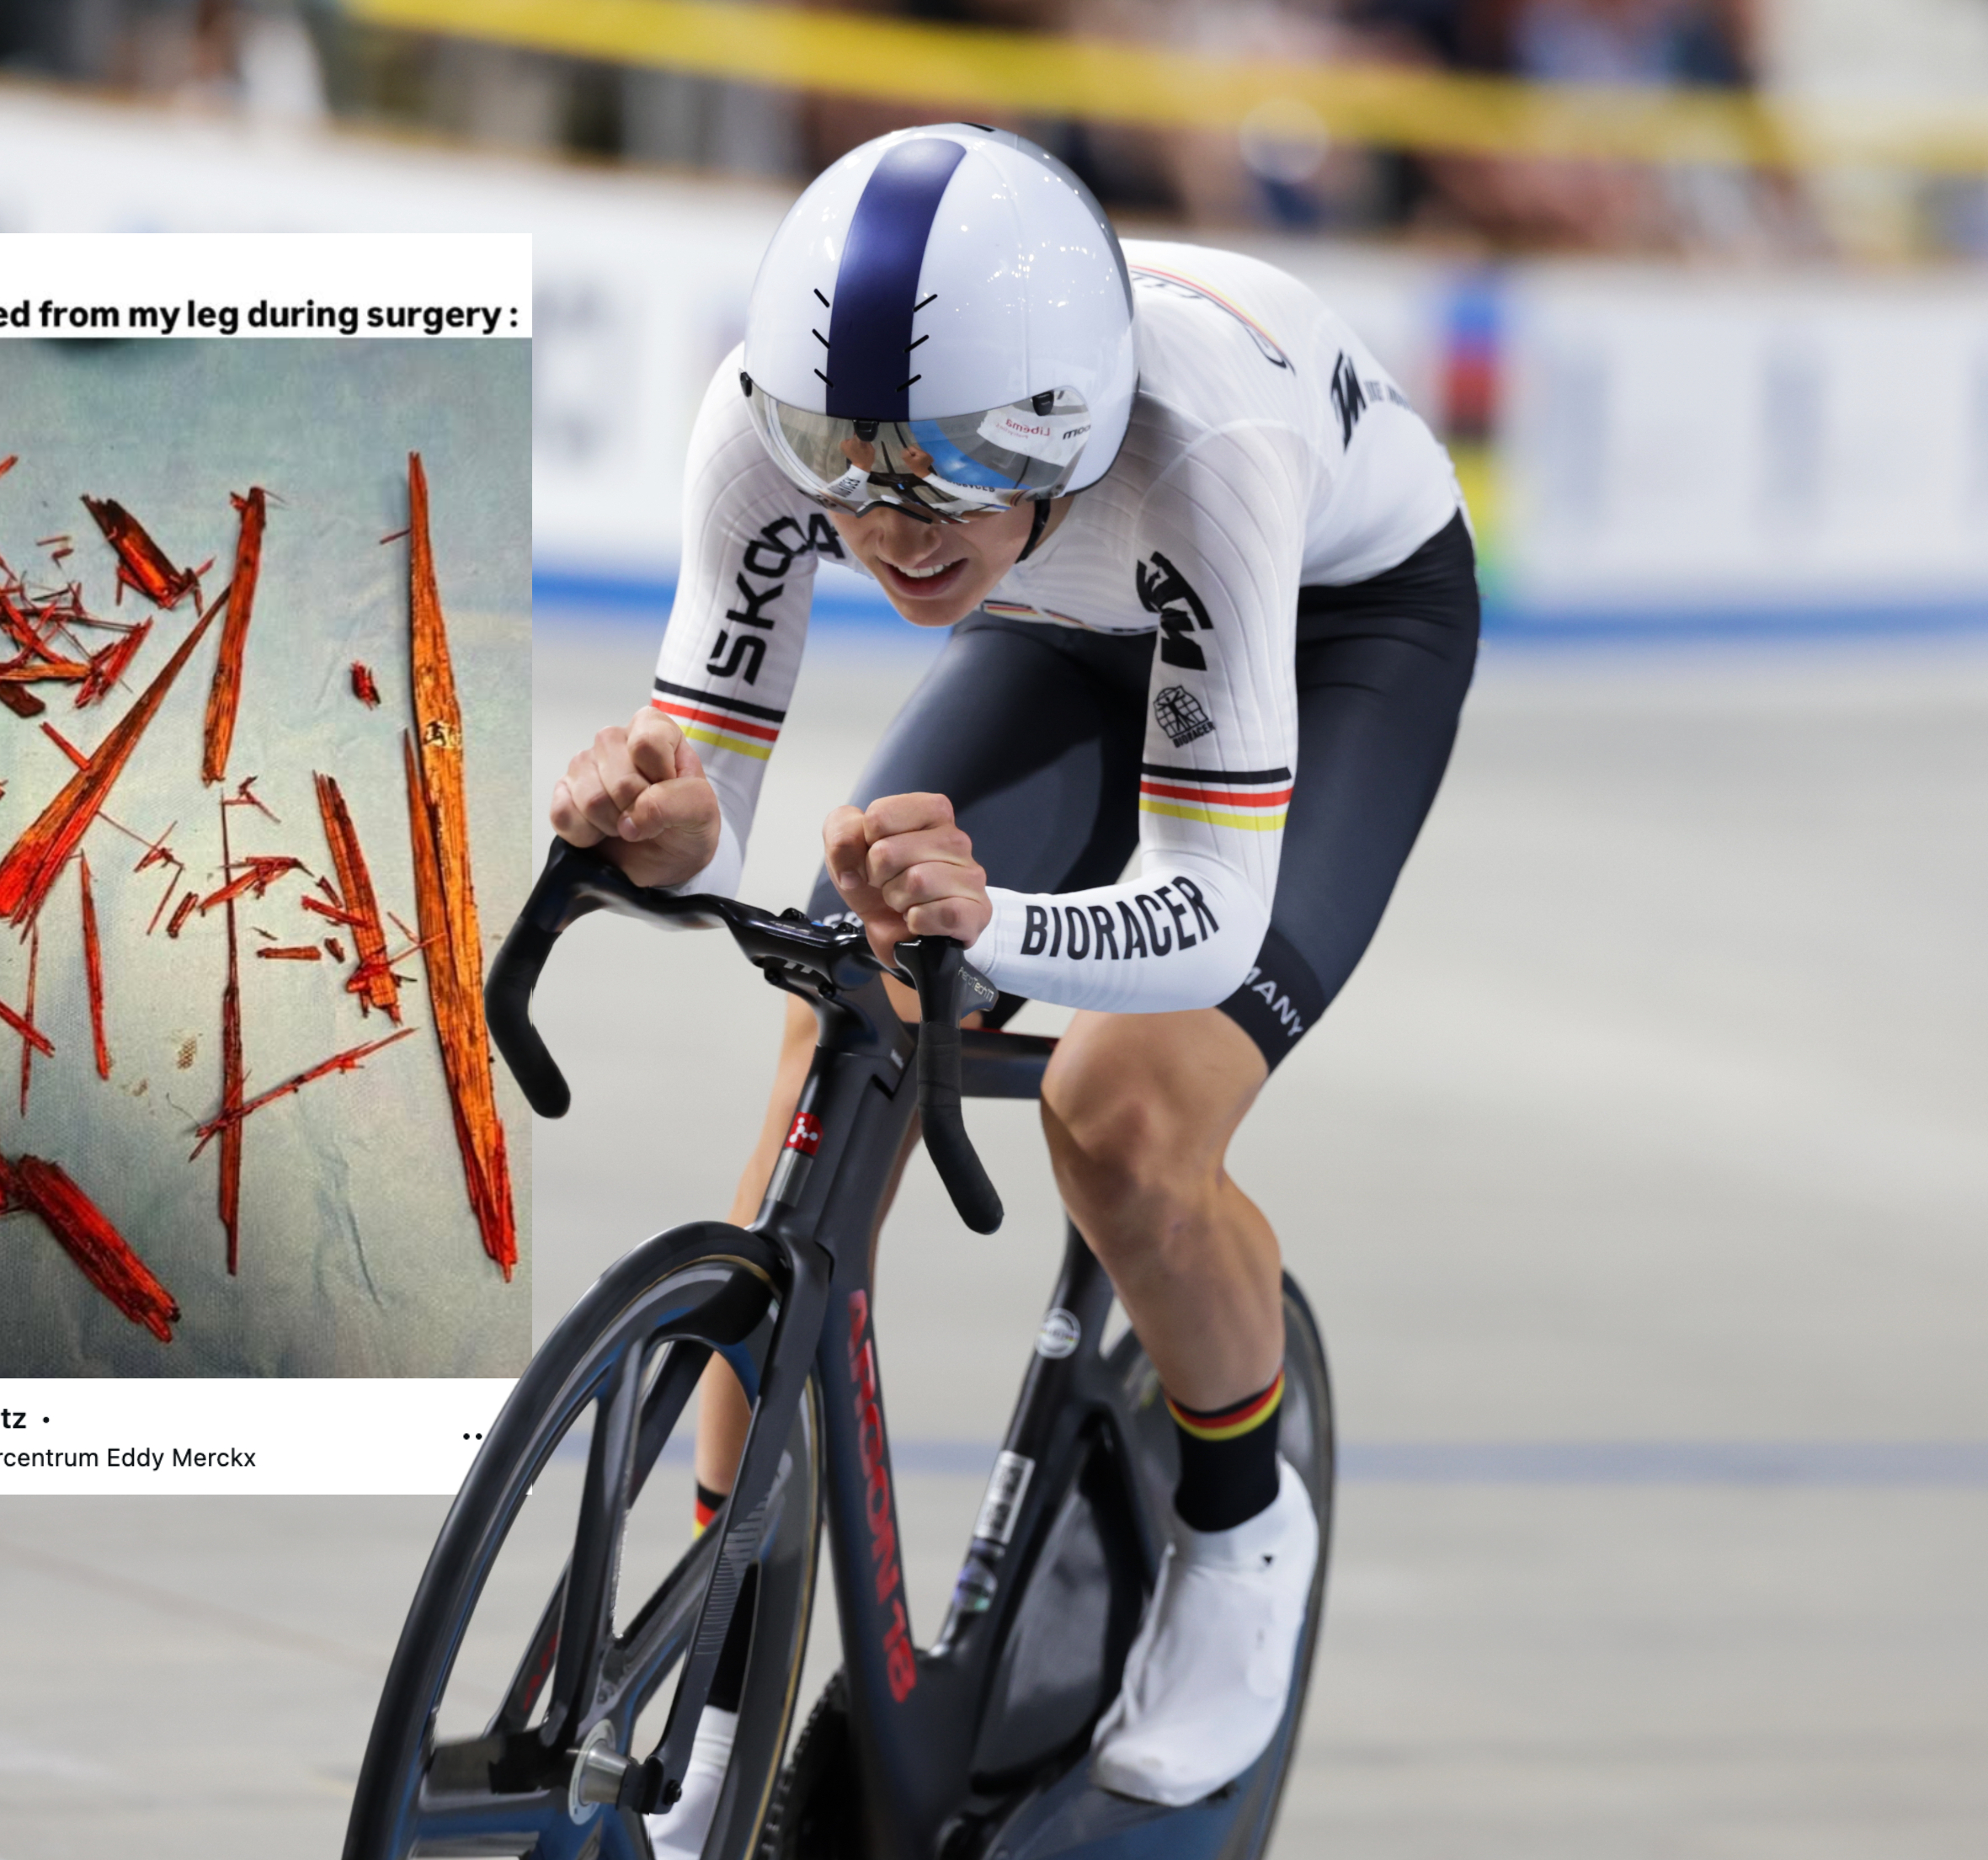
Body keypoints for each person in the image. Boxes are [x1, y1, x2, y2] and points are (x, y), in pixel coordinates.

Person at [550, 124, 1477, 1848]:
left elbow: (1207, 913)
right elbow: (715, 805)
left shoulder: (1207, 448)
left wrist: (988, 927)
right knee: (829, 1057)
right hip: (1063, 613)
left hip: (1337, 625)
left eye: (956, 468)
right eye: (847, 467)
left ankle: (1239, 1527)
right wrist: (662, 825)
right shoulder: (768, 420)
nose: (891, 524)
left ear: (1063, 425)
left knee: (1120, 1119)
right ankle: (714, 1683)